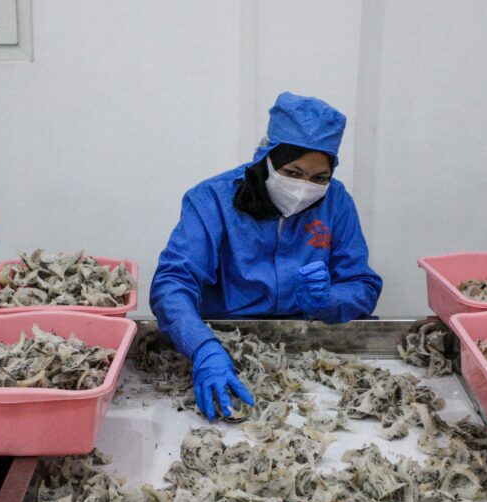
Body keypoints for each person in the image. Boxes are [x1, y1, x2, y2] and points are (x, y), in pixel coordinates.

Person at [151, 92, 382, 420]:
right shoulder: (212, 200)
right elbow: (173, 282)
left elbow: (362, 285)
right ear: (267, 158)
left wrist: (328, 300)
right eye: (293, 172)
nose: (304, 187)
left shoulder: (337, 203)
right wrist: (201, 346)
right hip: (223, 343)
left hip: (305, 350)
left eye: (319, 178)